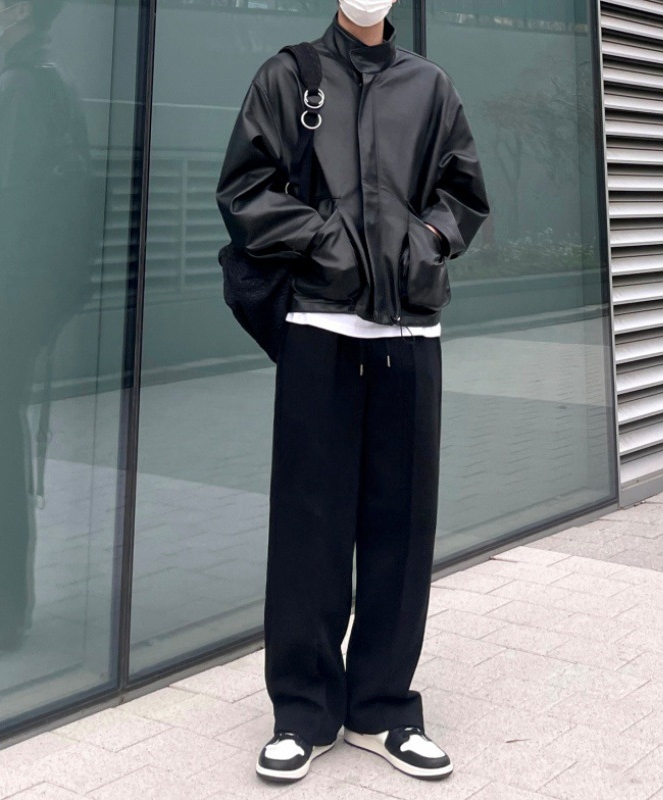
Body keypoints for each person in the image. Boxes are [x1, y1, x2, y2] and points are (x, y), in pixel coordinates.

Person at [217, 0, 488, 783]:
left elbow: (464, 195)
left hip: (410, 332)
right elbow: (244, 190)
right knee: (310, 525)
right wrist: (326, 241)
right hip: (320, 327)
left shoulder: (430, 86)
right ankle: (304, 712)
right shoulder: (289, 76)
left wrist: (425, 239)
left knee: (403, 528)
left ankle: (383, 708)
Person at [0, 0, 95, 664]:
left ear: (18, 12)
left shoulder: (21, 85)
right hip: (23, 295)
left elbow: (3, 202)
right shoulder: (50, 81)